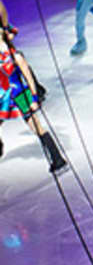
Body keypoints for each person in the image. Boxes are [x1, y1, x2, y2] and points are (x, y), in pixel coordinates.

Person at [0, 20, 67, 174]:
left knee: (35, 126)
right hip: (2, 96)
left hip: (19, 94)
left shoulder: (16, 56)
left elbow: (29, 78)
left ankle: (57, 158)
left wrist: (35, 98)